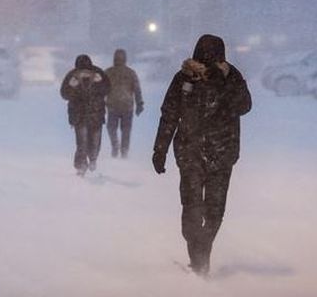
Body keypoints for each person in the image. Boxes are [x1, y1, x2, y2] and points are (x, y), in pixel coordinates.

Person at [152, 34, 252, 275]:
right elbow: (170, 113)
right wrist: (160, 149)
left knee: (214, 211)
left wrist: (228, 78)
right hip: (191, 154)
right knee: (192, 208)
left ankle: (202, 249)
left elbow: (243, 106)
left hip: (222, 154)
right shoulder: (185, 78)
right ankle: (198, 257)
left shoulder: (231, 77)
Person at [61, 54, 110, 176]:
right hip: (84, 115)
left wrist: (99, 84)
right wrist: (72, 86)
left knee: (92, 143)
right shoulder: (73, 76)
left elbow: (107, 89)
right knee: (84, 143)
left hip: (92, 115)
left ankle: (91, 160)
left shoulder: (97, 74)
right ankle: (82, 166)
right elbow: (65, 94)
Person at [105, 49, 144, 158]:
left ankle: (115, 145)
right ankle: (124, 151)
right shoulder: (130, 73)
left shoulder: (108, 72)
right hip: (127, 106)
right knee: (126, 130)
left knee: (111, 128)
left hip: (113, 105)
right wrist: (139, 103)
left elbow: (102, 89)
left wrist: (101, 102)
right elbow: (137, 89)